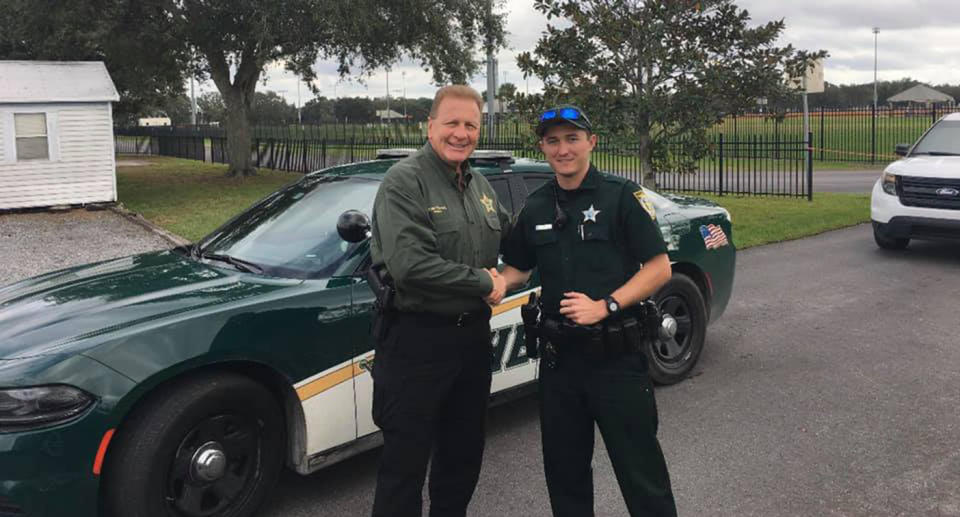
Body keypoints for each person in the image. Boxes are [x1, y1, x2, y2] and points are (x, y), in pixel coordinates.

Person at [499, 106, 678, 516]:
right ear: (543, 147)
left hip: (616, 361)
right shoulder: (537, 206)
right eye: (553, 140)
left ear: (591, 142)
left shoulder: (620, 196)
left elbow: (658, 267)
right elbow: (517, 270)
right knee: (566, 480)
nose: (563, 149)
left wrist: (606, 306)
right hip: (559, 365)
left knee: (643, 478)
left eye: (572, 138)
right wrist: (483, 286)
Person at [368, 84, 511, 517]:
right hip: (416, 343)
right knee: (404, 466)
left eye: (471, 125)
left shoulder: (480, 183)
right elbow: (410, 265)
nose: (461, 133)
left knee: (462, 457)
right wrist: (484, 283)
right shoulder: (404, 182)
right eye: (452, 123)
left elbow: (514, 233)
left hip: (470, 343)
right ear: (430, 125)